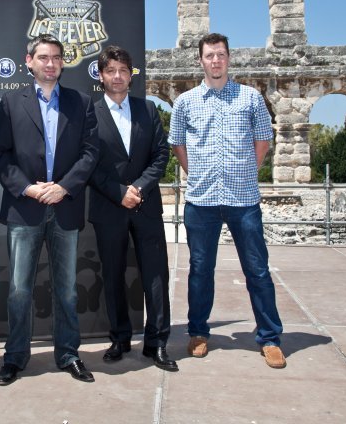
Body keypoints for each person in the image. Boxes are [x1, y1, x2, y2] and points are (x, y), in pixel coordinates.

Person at [168, 32, 286, 369]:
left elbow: (263, 139)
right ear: (200, 60)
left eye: (220, 54)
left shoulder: (250, 97)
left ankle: (270, 338)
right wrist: (196, 172)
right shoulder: (185, 102)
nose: (215, 60)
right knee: (200, 270)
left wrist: (248, 169)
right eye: (209, 55)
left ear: (229, 58)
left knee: (257, 269)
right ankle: (198, 332)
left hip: (243, 198)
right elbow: (177, 143)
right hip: (202, 199)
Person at [0, 34, 99, 385]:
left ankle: (68, 354)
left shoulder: (81, 103)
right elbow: (1, 156)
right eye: (43, 57)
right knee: (19, 290)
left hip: (65, 206)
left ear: (62, 62)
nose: (50, 63)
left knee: (67, 290)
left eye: (55, 57)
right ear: (29, 61)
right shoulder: (10, 103)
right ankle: (15, 357)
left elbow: (90, 153)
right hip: (25, 208)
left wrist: (64, 187)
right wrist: (29, 188)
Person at [88, 46, 177, 372]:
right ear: (101, 75)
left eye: (123, 71)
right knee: (112, 275)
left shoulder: (148, 109)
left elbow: (161, 155)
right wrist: (118, 192)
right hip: (108, 207)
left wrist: (137, 188)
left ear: (130, 75)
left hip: (145, 205)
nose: (117, 76)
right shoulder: (89, 113)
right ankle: (120, 338)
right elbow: (87, 161)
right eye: (111, 70)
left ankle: (157, 343)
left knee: (156, 275)